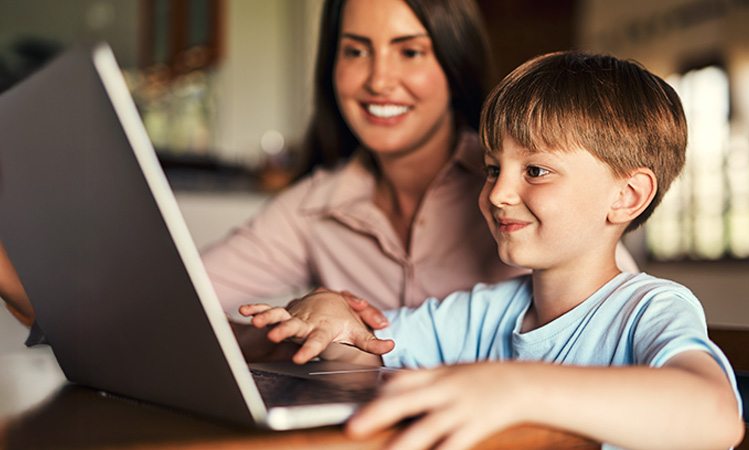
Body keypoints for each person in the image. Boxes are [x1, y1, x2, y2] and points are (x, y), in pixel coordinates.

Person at [0, 0, 637, 354]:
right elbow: (172, 310)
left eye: (410, 51)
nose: (378, 79)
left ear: (453, 63)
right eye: (355, 50)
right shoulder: (312, 206)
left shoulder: (528, 187)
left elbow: (619, 325)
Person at [241, 51, 745, 450]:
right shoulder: (485, 311)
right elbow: (362, 355)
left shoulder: (650, 309)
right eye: (491, 168)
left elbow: (715, 414)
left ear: (626, 197)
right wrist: (331, 316)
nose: (497, 193)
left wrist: (518, 388)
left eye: (535, 170)